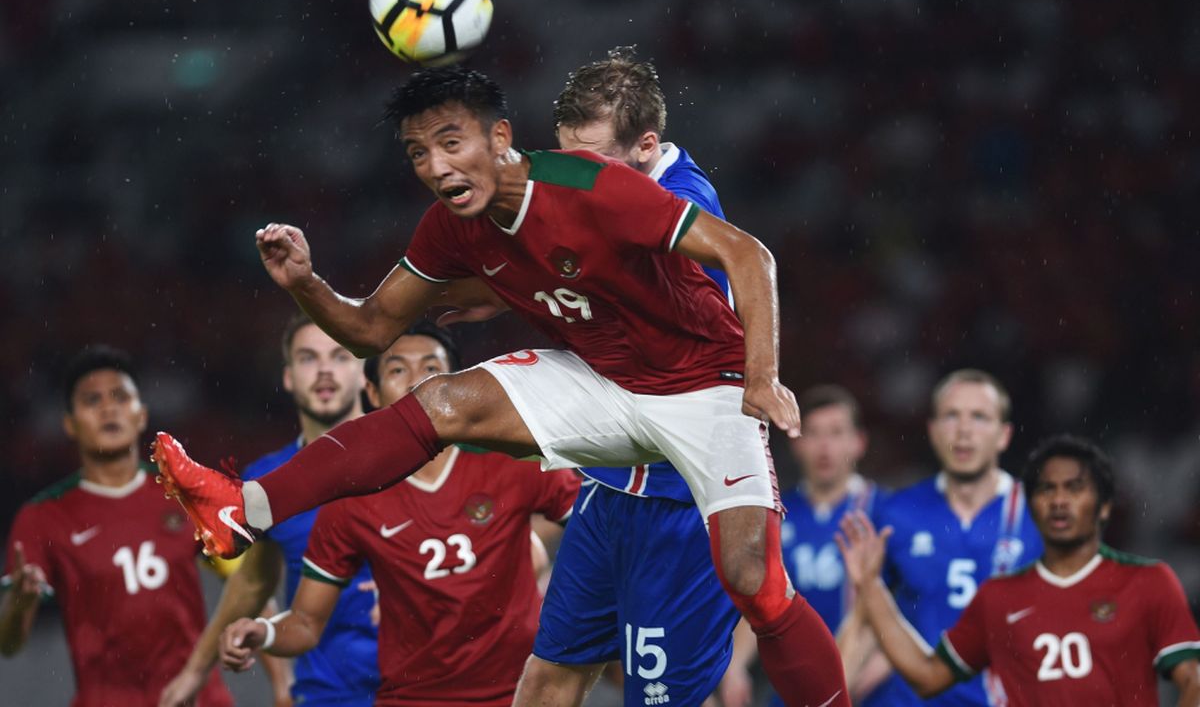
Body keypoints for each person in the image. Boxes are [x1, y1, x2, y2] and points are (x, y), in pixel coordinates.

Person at [152, 65, 851, 707]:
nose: (436, 167)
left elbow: (748, 254)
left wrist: (762, 380)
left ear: (502, 138)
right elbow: (370, 331)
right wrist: (306, 283)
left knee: (752, 581)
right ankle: (243, 508)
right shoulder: (451, 229)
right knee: (443, 400)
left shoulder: (597, 186)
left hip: (707, 388)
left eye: (451, 143)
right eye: (419, 154)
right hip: (610, 383)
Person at [508, 47, 742, 707]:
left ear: (646, 146)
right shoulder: (606, 192)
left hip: (681, 499)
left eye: (591, 165)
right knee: (547, 678)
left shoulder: (685, 210)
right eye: (564, 159)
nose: (572, 180)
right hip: (610, 488)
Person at [217, 323, 580, 705]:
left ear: (458, 384)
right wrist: (263, 631)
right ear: (371, 392)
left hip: (514, 697)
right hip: (410, 698)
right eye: (397, 370)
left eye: (430, 369)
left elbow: (598, 524)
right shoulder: (349, 499)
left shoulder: (511, 462)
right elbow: (306, 623)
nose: (416, 384)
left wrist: (567, 587)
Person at [836, 434, 1200, 706]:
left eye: (1075, 489)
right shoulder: (999, 597)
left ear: (1104, 506)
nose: (1059, 500)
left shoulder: (1147, 582)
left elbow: (1193, 680)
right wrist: (871, 587)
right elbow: (928, 676)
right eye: (1046, 490)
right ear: (1031, 505)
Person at [160, 315, 378, 707]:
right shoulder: (264, 480)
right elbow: (253, 582)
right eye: (309, 358)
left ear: (365, 374)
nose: (325, 369)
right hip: (328, 693)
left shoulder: (409, 458)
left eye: (340, 357)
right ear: (289, 377)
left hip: (423, 685)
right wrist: (196, 670)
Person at [0, 346, 234, 707]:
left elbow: (245, 582)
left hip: (198, 698)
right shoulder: (43, 517)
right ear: (69, 423)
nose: (109, 408)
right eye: (92, 400)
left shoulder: (186, 493)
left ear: (141, 415)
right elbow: (10, 644)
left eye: (120, 397)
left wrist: (282, 684)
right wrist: (19, 604)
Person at [840, 368, 1044, 706]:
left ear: (1004, 434)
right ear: (932, 430)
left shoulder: (1039, 515)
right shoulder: (897, 513)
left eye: (979, 417)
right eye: (951, 416)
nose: (964, 430)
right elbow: (865, 618)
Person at [758, 384, 884, 705]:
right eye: (813, 433)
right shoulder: (774, 513)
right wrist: (731, 670)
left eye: (837, 432)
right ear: (797, 444)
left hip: (871, 691)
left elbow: (909, 605)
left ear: (859, 442)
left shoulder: (885, 512)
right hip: (794, 687)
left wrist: (875, 666)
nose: (825, 447)